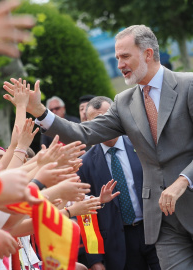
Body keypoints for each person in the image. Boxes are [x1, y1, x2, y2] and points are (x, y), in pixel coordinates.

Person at [19, 24, 193, 269]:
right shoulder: (124, 102)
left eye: (125, 56)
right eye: (116, 58)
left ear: (148, 54)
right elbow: (84, 132)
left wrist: (183, 180)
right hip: (162, 224)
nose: (119, 64)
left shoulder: (188, 86)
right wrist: (40, 112)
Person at [78, 96, 160, 270]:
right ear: (88, 125)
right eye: (96, 121)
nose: (104, 125)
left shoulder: (142, 145)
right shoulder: (84, 165)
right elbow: (86, 216)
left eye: (107, 117)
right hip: (118, 245)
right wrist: (95, 259)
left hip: (155, 232)